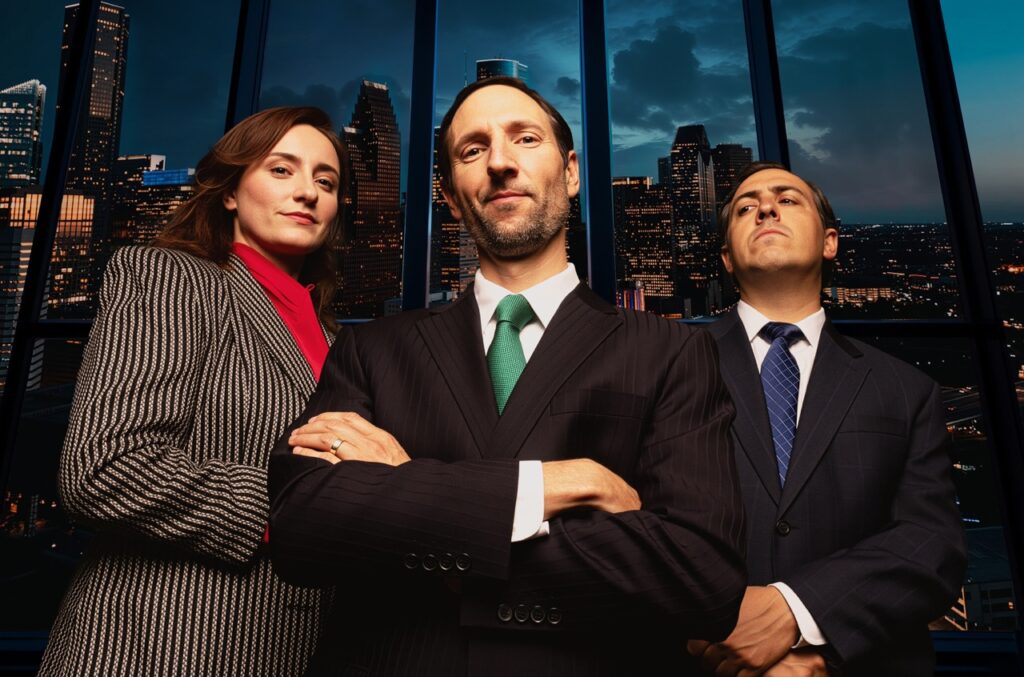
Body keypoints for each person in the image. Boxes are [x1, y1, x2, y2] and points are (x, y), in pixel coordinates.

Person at [268, 76, 746, 676]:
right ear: (447, 193)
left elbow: (702, 579)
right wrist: (550, 487)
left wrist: (405, 487)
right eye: (473, 149)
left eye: (524, 138)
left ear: (570, 172)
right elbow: (305, 526)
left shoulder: (672, 351)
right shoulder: (373, 349)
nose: (499, 162)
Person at [39, 106, 347, 676]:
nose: (307, 192)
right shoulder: (173, 278)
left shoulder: (332, 333)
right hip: (166, 643)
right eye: (282, 171)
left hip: (292, 648)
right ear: (230, 191)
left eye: (325, 181)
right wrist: (296, 507)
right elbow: (104, 467)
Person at [690, 161, 966, 675]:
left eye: (788, 200)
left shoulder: (906, 391)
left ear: (830, 242)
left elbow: (933, 543)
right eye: (747, 207)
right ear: (727, 258)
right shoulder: (667, 365)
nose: (766, 207)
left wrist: (802, 618)